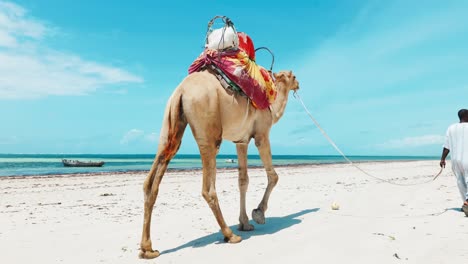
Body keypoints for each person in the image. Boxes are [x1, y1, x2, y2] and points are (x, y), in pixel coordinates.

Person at [440, 109, 468, 216]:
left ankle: (465, 202)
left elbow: (446, 146)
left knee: (461, 182)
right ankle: (467, 202)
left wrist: (442, 159)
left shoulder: (451, 128)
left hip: (456, 160)